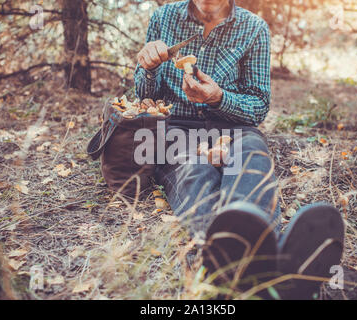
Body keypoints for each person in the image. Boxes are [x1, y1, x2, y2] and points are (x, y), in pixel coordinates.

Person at [134, 0, 345, 300]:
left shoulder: (254, 28)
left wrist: (219, 98)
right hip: (176, 130)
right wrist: (148, 69)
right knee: (194, 171)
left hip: (234, 127)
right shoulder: (163, 19)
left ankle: (235, 274)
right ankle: (259, 276)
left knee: (250, 160)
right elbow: (142, 98)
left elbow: (258, 105)